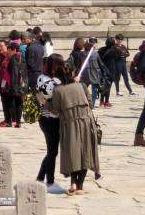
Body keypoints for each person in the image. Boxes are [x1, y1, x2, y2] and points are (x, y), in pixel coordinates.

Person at [46, 61, 101, 195]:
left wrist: (45, 102)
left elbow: (55, 110)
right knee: (85, 153)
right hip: (86, 123)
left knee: (72, 154)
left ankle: (73, 183)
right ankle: (80, 185)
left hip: (69, 124)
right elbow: (90, 104)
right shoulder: (82, 86)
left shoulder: (58, 90)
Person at [35, 54, 64, 194]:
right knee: (52, 151)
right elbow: (55, 93)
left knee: (52, 150)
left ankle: (40, 177)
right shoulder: (45, 80)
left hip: (54, 118)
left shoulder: (52, 79)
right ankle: (50, 181)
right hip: (48, 119)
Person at [0, 40, 27, 128]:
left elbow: (14, 72)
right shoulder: (22, 56)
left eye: (9, 50)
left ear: (14, 50)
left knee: (10, 103)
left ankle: (9, 121)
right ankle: (18, 121)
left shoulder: (14, 57)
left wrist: (12, 86)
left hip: (13, 84)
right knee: (19, 103)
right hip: (21, 84)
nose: (8, 52)